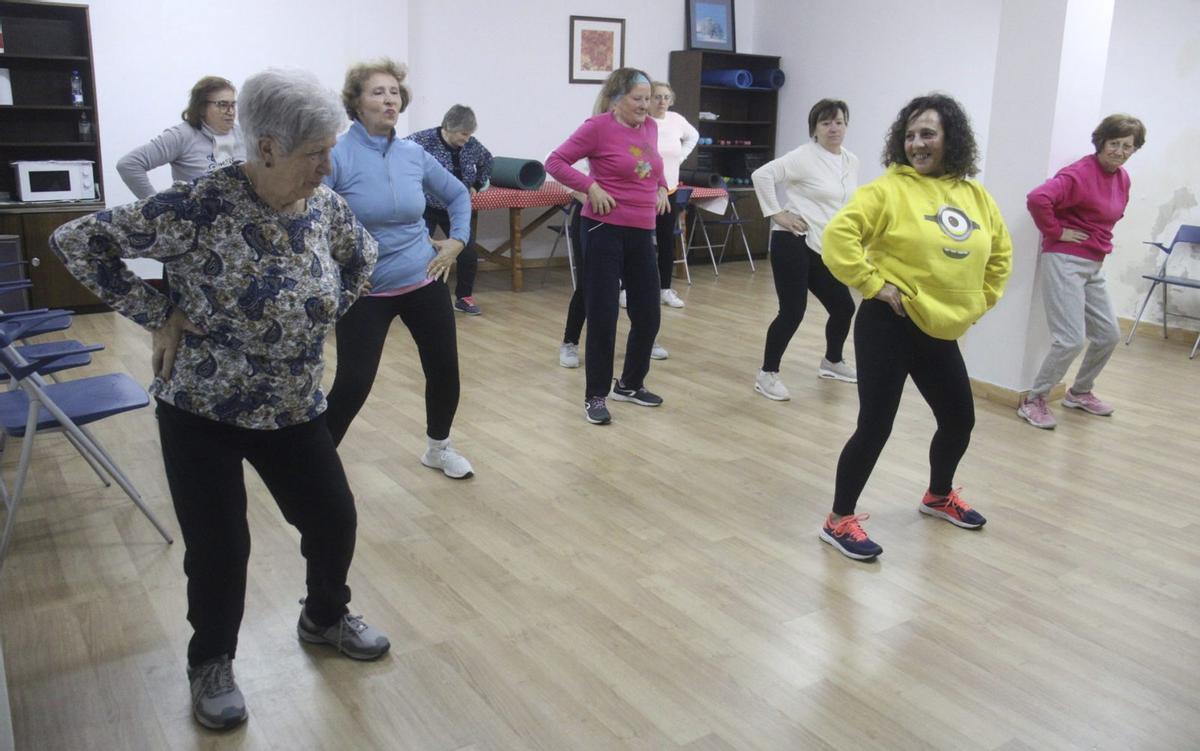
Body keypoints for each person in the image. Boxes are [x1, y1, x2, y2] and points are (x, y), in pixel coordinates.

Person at [50, 68, 389, 731]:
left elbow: (362, 256)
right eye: (314, 152)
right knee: (219, 547)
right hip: (202, 409)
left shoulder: (324, 205)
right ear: (265, 147)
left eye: (331, 149)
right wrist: (156, 311)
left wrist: (319, 316)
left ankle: (323, 616)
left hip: (292, 406)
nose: (327, 166)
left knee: (333, 520)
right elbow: (78, 241)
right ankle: (211, 661)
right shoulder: (197, 205)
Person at [820, 93, 1013, 561]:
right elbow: (837, 238)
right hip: (890, 324)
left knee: (959, 419)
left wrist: (975, 303)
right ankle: (838, 520)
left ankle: (938, 495)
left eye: (928, 133)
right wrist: (873, 283)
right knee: (876, 425)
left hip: (940, 329)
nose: (917, 143)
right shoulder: (887, 189)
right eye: (909, 135)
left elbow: (1001, 255)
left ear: (951, 139)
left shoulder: (974, 196)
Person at [324, 59, 474, 479]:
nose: (389, 99)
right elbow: (313, 219)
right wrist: (342, 270)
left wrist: (457, 241)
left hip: (422, 276)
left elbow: (459, 194)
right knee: (354, 384)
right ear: (356, 101)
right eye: (377, 92)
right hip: (365, 289)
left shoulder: (412, 153)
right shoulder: (336, 154)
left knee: (444, 369)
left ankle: (439, 447)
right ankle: (311, 462)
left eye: (394, 92)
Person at [546, 67, 670, 425]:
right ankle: (595, 395)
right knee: (603, 315)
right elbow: (554, 161)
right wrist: (590, 187)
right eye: (638, 99)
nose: (646, 105)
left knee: (648, 313)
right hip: (603, 228)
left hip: (641, 231)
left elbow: (651, 164)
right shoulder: (597, 127)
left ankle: (630, 384)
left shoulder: (650, 127)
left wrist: (662, 186)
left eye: (648, 99)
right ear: (617, 100)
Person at [1017, 114, 1146, 430]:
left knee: (1107, 335)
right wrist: (1057, 231)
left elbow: (1108, 216)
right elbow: (1038, 198)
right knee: (1070, 340)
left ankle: (1080, 392)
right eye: (1114, 143)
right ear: (1101, 142)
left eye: (1127, 146)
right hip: (1065, 261)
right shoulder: (1079, 173)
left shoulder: (1122, 178)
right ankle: (1034, 400)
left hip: (1093, 263)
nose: (1119, 150)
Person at [750, 98, 860, 401]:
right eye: (826, 123)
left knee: (844, 307)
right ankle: (767, 374)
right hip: (792, 241)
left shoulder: (851, 160)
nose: (833, 128)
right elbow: (762, 175)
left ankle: (832, 362)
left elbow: (845, 203)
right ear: (815, 128)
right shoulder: (803, 156)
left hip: (824, 246)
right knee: (793, 311)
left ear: (846, 126)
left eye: (839, 122)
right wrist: (777, 213)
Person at [407, 105, 493, 315]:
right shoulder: (420, 141)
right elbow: (398, 161)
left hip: (456, 209)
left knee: (468, 251)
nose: (467, 138)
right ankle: (414, 297)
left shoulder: (472, 146)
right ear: (448, 127)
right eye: (464, 133)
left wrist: (476, 185)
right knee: (418, 251)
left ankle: (463, 297)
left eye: (470, 134)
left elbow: (487, 161)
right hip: (426, 207)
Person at [116, 75, 246, 199]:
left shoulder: (245, 135)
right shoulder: (181, 135)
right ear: (201, 107)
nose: (231, 111)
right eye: (222, 105)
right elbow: (128, 165)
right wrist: (157, 206)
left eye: (233, 104)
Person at [648, 81, 699, 311]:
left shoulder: (677, 120)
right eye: (657, 97)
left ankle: (664, 289)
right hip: (643, 191)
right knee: (637, 242)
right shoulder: (643, 122)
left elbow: (694, 136)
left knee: (666, 240)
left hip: (668, 190)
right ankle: (625, 290)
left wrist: (680, 159)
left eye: (666, 97)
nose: (662, 102)